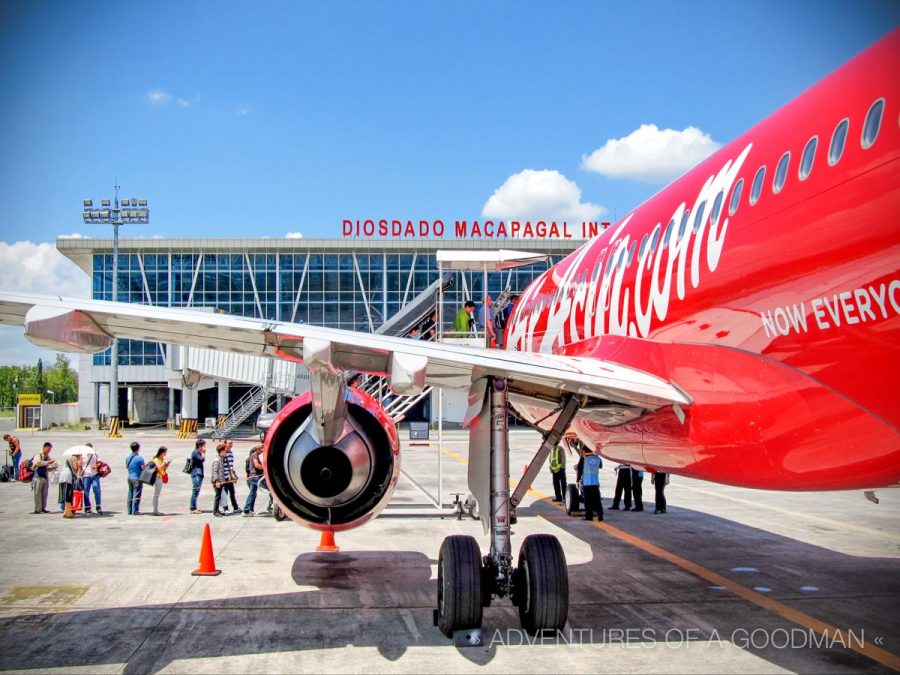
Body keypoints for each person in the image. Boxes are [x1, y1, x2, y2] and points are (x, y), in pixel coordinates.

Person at [30, 442, 56, 514]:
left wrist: (54, 467)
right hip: (37, 477)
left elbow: (48, 468)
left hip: (44, 477)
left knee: (44, 494)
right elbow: (38, 463)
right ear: (44, 448)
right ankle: (38, 509)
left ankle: (43, 508)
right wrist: (48, 462)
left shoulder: (47, 456)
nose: (49, 451)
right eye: (48, 449)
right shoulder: (38, 455)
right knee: (37, 494)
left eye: (50, 449)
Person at [580, 446, 603, 521]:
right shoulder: (597, 458)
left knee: (588, 501)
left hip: (587, 483)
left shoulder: (584, 459)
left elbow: (579, 469)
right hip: (595, 483)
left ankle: (589, 516)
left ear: (584, 451)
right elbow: (600, 466)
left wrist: (577, 480)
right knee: (597, 500)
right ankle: (600, 515)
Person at [59, 452, 83, 519]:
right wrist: (79, 465)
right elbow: (75, 468)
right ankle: (69, 513)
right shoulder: (74, 459)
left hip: (62, 478)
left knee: (66, 495)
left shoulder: (69, 459)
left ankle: (66, 512)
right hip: (68, 478)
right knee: (68, 495)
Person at [80, 442, 103, 515]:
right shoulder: (82, 454)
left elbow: (100, 462)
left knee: (97, 490)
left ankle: (98, 506)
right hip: (85, 475)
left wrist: (96, 466)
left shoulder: (95, 453)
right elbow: (79, 464)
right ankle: (87, 507)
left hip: (94, 474)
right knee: (86, 492)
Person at [243, 445, 264, 516]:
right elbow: (257, 465)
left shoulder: (256, 455)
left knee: (252, 493)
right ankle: (273, 506)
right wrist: (265, 468)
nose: (262, 451)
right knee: (270, 489)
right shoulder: (254, 455)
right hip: (255, 477)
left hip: (253, 477)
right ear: (258, 449)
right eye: (261, 450)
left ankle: (246, 510)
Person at [150, 447, 172, 516]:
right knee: (156, 495)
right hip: (157, 477)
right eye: (164, 452)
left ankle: (156, 510)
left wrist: (167, 464)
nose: (165, 454)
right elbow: (159, 467)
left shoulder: (161, 459)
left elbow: (163, 469)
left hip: (161, 476)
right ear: (161, 452)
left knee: (157, 495)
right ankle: (155, 510)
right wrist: (164, 463)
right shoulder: (156, 459)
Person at [125, 441, 145, 516]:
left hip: (130, 477)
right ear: (138, 449)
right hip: (137, 478)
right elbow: (143, 468)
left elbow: (127, 467)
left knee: (130, 493)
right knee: (136, 495)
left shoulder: (128, 457)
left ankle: (129, 510)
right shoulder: (139, 458)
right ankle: (135, 511)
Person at [222, 440, 240, 513]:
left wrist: (233, 475)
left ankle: (235, 507)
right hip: (224, 477)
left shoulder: (231, 453)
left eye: (232, 443)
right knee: (225, 493)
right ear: (225, 444)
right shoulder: (223, 453)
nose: (231, 445)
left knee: (232, 492)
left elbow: (231, 466)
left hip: (229, 476)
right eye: (229, 443)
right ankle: (225, 508)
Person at [189, 439, 206, 514]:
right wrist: (204, 453)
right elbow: (202, 459)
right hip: (196, 474)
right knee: (195, 490)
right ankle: (193, 508)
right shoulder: (195, 452)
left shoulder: (197, 452)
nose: (205, 447)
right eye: (203, 446)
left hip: (199, 473)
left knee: (197, 491)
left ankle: (194, 507)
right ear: (200, 446)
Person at [211, 444, 228, 517]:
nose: (226, 453)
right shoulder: (217, 460)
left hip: (221, 481)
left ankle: (217, 510)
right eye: (225, 451)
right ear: (221, 451)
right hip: (217, 481)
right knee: (217, 496)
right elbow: (215, 471)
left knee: (220, 496)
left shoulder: (221, 459)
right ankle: (215, 511)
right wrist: (217, 481)